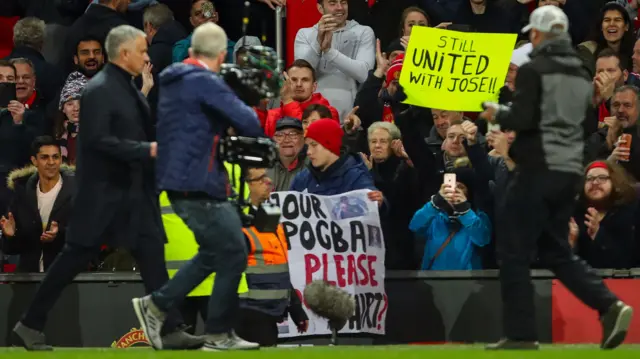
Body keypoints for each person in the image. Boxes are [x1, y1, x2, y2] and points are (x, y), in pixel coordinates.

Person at [11, 25, 201, 351]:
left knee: (153, 253)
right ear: (124, 53)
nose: (146, 56)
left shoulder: (125, 88)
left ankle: (168, 328)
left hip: (132, 194)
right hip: (102, 196)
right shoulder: (99, 89)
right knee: (72, 260)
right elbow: (99, 141)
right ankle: (29, 324)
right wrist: (150, 150)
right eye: (141, 50)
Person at [479, 6, 632, 350]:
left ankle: (520, 334)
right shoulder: (580, 75)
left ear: (540, 34)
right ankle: (608, 305)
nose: (531, 39)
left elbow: (522, 118)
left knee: (513, 251)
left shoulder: (534, 70)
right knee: (555, 250)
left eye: (533, 33)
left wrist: (497, 110)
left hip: (536, 169)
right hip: (568, 173)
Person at [131, 22, 265, 351]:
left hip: (185, 180)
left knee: (214, 252)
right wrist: (250, 89)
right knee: (233, 252)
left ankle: (157, 305)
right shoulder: (205, 80)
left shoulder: (178, 78)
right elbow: (250, 122)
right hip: (198, 182)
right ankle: (218, 333)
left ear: (191, 52)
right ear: (222, 55)